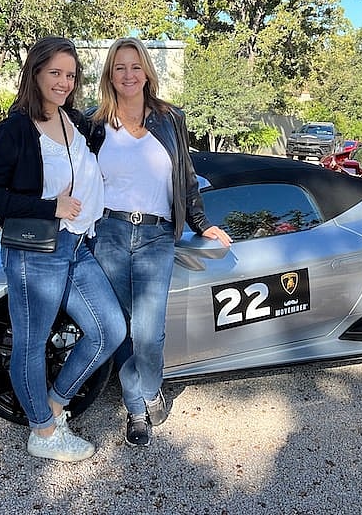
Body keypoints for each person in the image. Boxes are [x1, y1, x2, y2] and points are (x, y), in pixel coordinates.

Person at [0, 36, 126, 461]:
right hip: (36, 252)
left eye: (70, 75)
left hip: (78, 247)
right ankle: (42, 433)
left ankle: (54, 406)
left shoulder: (73, 121)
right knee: (30, 342)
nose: (63, 81)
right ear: (35, 73)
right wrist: (48, 206)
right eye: (54, 73)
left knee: (110, 329)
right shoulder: (16, 128)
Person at [82, 37, 232, 447]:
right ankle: (137, 408)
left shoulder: (170, 118)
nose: (128, 75)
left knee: (149, 330)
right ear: (109, 76)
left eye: (135, 67)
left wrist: (201, 223)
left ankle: (151, 388)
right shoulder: (94, 124)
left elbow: (185, 176)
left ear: (147, 71)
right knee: (125, 329)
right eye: (119, 68)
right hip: (108, 233)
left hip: (155, 235)